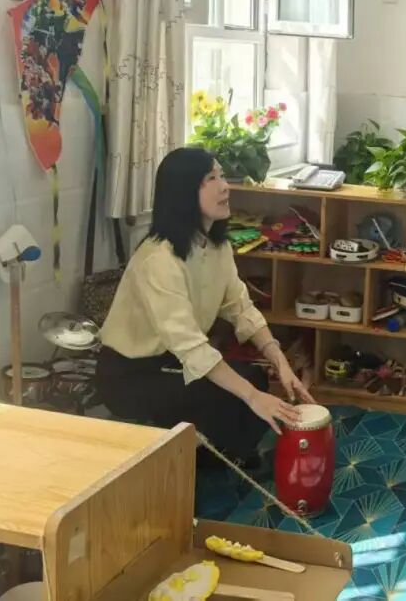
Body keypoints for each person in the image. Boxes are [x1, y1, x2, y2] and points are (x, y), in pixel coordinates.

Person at [97, 147, 314, 467]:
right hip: (130, 376)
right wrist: (253, 398)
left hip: (174, 360)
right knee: (224, 394)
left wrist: (280, 362)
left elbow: (241, 307)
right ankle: (199, 466)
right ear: (183, 192)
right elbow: (192, 347)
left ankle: (224, 456)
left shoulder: (217, 246)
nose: (225, 186)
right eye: (211, 179)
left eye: (222, 176)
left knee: (254, 376)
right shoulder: (158, 260)